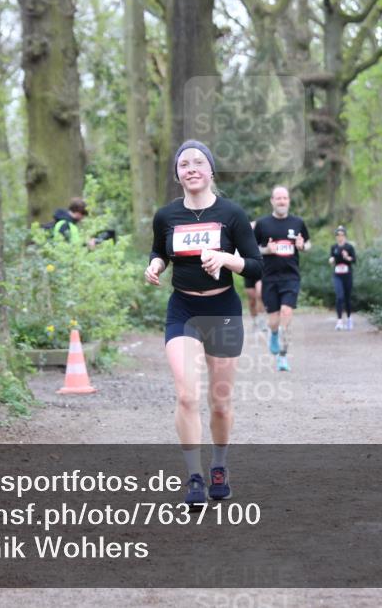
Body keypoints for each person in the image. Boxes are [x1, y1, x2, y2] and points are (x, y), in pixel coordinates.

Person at [144, 140, 262, 505]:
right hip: (183, 311)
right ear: (178, 174)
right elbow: (159, 250)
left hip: (223, 310)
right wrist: (156, 265)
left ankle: (219, 465)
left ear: (211, 170)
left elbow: (257, 266)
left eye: (198, 162)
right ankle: (194, 475)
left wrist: (226, 258)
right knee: (185, 394)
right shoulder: (166, 216)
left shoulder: (232, 214)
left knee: (221, 402)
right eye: (184, 164)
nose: (191, 168)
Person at [254, 186, 310, 372]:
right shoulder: (262, 224)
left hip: (291, 277)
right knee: (273, 320)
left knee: (286, 313)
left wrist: (302, 246)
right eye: (278, 198)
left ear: (289, 201)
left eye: (285, 198)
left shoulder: (298, 222)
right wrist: (267, 250)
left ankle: (283, 356)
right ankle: (274, 334)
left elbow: (307, 243)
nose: (282, 201)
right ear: (272, 200)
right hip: (269, 277)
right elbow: (252, 249)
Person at [329, 226, 357, 330]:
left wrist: (347, 257)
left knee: (347, 298)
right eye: (338, 235)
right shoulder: (334, 247)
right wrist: (331, 260)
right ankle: (339, 321)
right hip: (337, 275)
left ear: (345, 236)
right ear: (336, 236)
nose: (340, 237)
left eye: (342, 235)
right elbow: (332, 258)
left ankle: (349, 319)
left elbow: (354, 260)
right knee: (339, 296)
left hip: (347, 275)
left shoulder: (349, 247)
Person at [243, 220, 267, 333]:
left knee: (260, 293)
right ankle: (255, 320)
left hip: (260, 268)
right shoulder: (242, 235)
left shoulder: (262, 233)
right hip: (247, 268)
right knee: (252, 299)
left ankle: (262, 320)